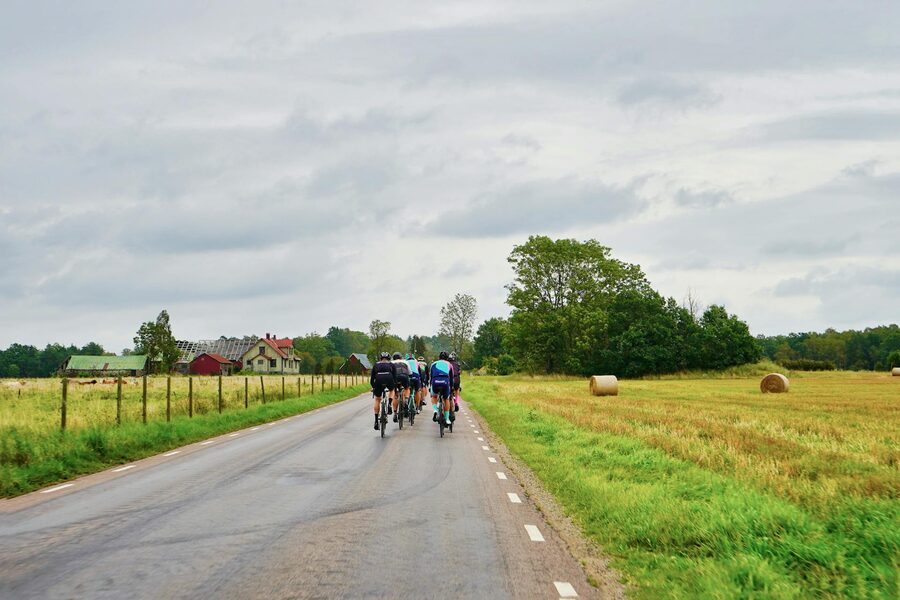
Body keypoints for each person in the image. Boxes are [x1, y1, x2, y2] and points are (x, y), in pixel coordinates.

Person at [370, 352, 396, 430]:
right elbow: (395, 378)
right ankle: (389, 404)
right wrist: (394, 386)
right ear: (389, 358)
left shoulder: (376, 365)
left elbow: (372, 379)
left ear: (380, 358)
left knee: (377, 399)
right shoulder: (391, 364)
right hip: (389, 378)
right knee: (392, 390)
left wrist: (374, 387)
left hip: (378, 379)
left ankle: (376, 421)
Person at [429, 351, 455, 425]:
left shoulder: (433, 364)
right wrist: (452, 388)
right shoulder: (449, 364)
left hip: (435, 382)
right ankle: (447, 419)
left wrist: (430, 386)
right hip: (445, 382)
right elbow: (451, 378)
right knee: (446, 399)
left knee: (434, 396)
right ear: (447, 358)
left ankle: (435, 410)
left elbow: (431, 377)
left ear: (439, 357)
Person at [391, 352, 411, 422]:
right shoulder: (405, 362)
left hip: (395, 378)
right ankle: (406, 400)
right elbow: (410, 372)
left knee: (395, 395)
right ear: (401, 357)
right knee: (407, 388)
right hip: (404, 376)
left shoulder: (391, 362)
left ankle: (395, 413)